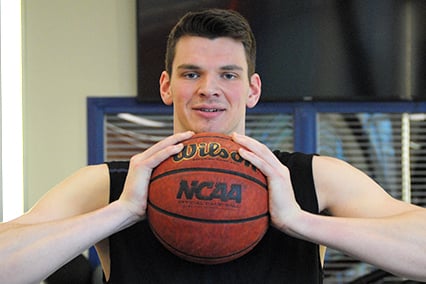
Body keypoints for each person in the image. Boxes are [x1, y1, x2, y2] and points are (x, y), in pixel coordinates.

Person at [1, 8, 426, 284]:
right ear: (166, 85)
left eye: (228, 74)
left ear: (253, 89)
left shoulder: (313, 178)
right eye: (191, 74)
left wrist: (302, 222)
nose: (209, 90)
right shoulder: (109, 184)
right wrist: (121, 212)